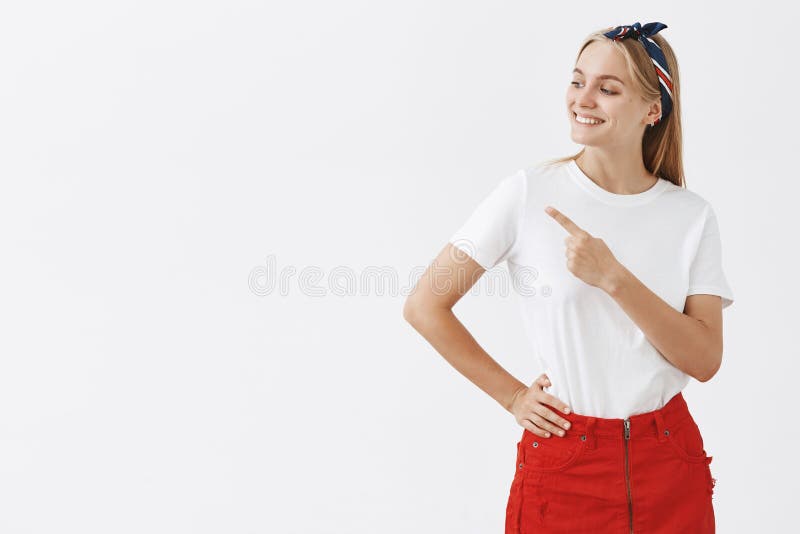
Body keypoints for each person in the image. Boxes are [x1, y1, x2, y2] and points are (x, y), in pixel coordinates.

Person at [402, 21, 732, 533]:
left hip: (670, 464)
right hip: (564, 465)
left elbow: (705, 359)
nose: (584, 99)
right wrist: (513, 396)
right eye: (578, 81)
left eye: (608, 88)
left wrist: (615, 278)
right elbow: (425, 305)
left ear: (653, 109)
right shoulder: (529, 192)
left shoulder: (691, 216)